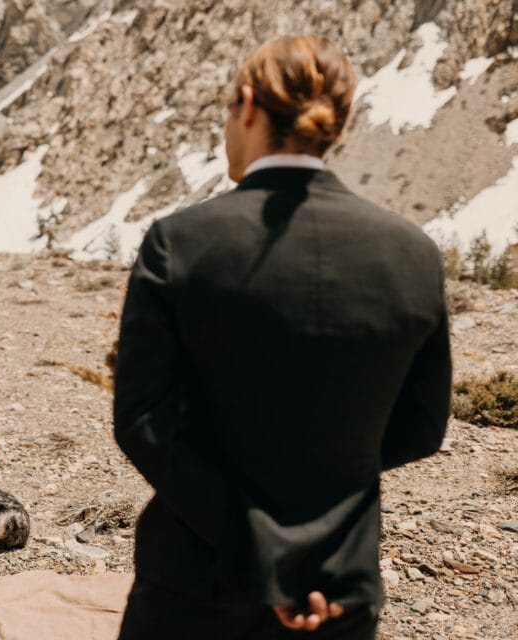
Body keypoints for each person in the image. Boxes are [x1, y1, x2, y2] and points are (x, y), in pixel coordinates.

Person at [113, 35, 451, 639]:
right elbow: (421, 428)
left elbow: (144, 422)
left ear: (247, 106)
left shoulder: (181, 242)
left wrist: (259, 547)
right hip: (338, 581)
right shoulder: (412, 254)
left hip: (199, 576)